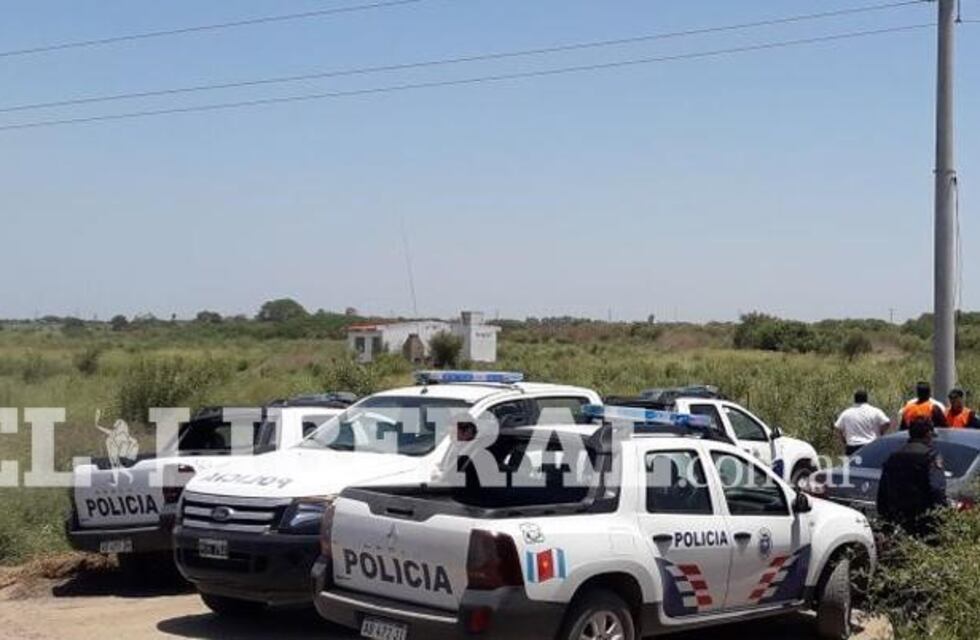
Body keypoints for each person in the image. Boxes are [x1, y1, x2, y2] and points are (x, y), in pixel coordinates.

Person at [876, 418, 947, 536]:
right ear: (928, 434)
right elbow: (937, 489)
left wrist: (885, 517)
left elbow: (883, 490)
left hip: (898, 519)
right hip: (924, 520)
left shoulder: (893, 457)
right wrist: (943, 516)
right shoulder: (930, 456)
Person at [834, 390, 891, 456]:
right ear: (866, 399)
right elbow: (887, 422)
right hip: (870, 445)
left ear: (854, 399)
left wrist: (844, 440)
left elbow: (837, 428)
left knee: (853, 466)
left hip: (852, 447)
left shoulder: (846, 413)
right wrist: (880, 433)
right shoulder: (875, 411)